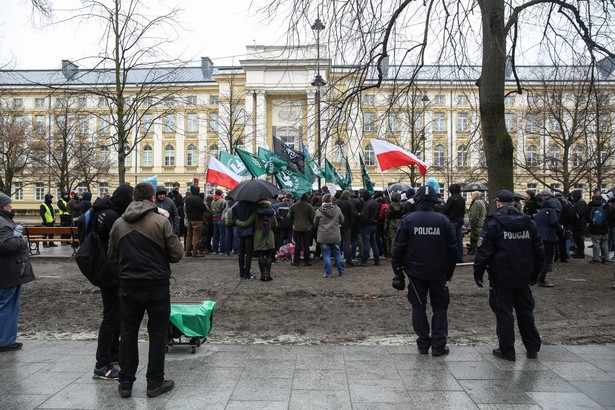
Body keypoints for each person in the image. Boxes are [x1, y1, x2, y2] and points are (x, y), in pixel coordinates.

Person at [107, 182, 184, 398]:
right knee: (158, 333)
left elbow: (112, 256)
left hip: (128, 285)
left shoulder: (119, 223)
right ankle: (154, 382)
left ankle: (125, 383)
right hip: (156, 285)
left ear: (133, 198)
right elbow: (177, 254)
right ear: (153, 199)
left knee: (128, 332)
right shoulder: (161, 222)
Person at [473, 190, 544, 361]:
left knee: (503, 312)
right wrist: (535, 274)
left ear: (498, 203)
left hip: (501, 276)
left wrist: (478, 271)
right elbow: (539, 251)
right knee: (525, 311)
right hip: (522, 274)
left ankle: (507, 349)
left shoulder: (493, 223)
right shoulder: (529, 223)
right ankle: (532, 347)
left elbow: (485, 251)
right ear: (514, 203)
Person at [390, 185, 457, 356]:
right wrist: (449, 271)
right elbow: (452, 249)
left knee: (418, 306)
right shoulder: (443, 221)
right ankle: (438, 345)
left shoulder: (409, 220)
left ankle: (423, 343)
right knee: (440, 308)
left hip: (415, 272)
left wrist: (397, 268)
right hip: (438, 271)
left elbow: (399, 247)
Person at [83, 185, 134, 381]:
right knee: (111, 317)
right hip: (110, 272)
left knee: (116, 316)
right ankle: (101, 364)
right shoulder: (112, 216)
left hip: (106, 270)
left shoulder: (102, 211)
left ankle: (112, 355)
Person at [0, 192, 35, 352]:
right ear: (2, 206)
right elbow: (8, 245)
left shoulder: (4, 221)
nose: (11, 206)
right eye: (9, 204)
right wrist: (20, 239)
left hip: (7, 271)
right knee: (8, 305)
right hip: (8, 272)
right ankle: (5, 340)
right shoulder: (2, 222)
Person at [533, 190, 563, 287]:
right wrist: (560, 229)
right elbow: (554, 222)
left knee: (540, 258)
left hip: (539, 237)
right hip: (549, 237)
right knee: (548, 259)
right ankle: (541, 279)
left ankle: (535, 277)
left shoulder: (540, 212)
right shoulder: (551, 210)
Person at [314, 194, 345, 278]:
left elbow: (315, 223)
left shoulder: (318, 211)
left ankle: (329, 273)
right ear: (331, 200)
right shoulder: (337, 209)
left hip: (323, 235)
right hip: (335, 235)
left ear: (323, 200)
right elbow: (342, 219)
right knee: (337, 254)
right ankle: (341, 272)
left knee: (326, 255)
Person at [253, 198, 277, 282]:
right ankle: (268, 274)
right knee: (269, 256)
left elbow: (249, 223)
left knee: (260, 256)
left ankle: (262, 275)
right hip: (270, 235)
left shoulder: (255, 213)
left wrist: (238, 222)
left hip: (258, 236)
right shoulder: (272, 213)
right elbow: (275, 225)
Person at [288, 192, 315, 266]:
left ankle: (296, 261)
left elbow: (289, 216)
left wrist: (295, 218)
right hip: (307, 228)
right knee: (306, 245)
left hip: (297, 227)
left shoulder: (293, 206)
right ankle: (307, 261)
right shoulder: (309, 206)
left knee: (297, 245)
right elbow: (313, 217)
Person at [442, 183, 466, 263]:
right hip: (460, 221)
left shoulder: (451, 198)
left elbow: (445, 210)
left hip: (452, 221)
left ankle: (454, 257)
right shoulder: (462, 199)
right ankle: (460, 257)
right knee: (459, 240)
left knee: (453, 240)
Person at [335, 190, 360, 266]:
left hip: (337, 225)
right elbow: (354, 214)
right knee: (347, 243)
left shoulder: (336, 202)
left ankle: (337, 261)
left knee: (337, 243)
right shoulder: (349, 203)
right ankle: (348, 261)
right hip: (347, 225)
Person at [234, 200, 256, 280]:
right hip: (249, 231)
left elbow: (234, 216)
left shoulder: (237, 204)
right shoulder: (252, 204)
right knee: (249, 252)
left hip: (240, 230)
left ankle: (241, 272)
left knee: (241, 252)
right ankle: (247, 273)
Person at [586, 188, 609, 264]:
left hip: (594, 227)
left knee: (596, 244)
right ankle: (605, 258)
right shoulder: (605, 205)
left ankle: (596, 258)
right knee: (604, 243)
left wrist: (590, 222)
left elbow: (587, 216)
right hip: (604, 227)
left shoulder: (590, 205)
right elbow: (608, 215)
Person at [359, 190, 380, 266]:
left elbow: (364, 216)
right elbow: (378, 215)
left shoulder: (367, 203)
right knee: (374, 243)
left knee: (366, 243)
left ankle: (364, 261)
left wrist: (362, 221)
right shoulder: (375, 202)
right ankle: (377, 260)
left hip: (367, 225)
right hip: (374, 225)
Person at [184, 185, 206, 257]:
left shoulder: (187, 198)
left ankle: (187, 251)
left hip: (189, 219)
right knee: (196, 236)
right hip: (197, 220)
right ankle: (195, 252)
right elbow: (203, 208)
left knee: (189, 235)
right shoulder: (198, 199)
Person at [384, 192, 404, 259]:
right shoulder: (402, 205)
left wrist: (385, 227)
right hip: (400, 223)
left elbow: (387, 216)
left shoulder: (390, 205)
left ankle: (392, 253)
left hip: (392, 223)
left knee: (392, 239)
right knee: (400, 239)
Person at [468, 191, 488, 255]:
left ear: (475, 196)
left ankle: (477, 257)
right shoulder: (482, 202)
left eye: (472, 195)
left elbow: (474, 216)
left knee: (475, 243)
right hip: (482, 224)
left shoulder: (476, 203)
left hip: (477, 226)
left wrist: (471, 224)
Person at [570, 189, 587, 259]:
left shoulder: (580, 203)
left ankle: (580, 253)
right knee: (577, 239)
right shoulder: (579, 202)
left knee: (579, 239)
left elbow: (579, 213)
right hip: (578, 224)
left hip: (579, 224)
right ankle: (579, 252)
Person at [211, 189, 227, 255]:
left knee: (215, 235)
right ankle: (222, 250)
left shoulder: (212, 201)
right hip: (220, 219)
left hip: (214, 219)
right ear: (220, 194)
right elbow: (224, 210)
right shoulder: (223, 201)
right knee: (222, 235)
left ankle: (215, 250)